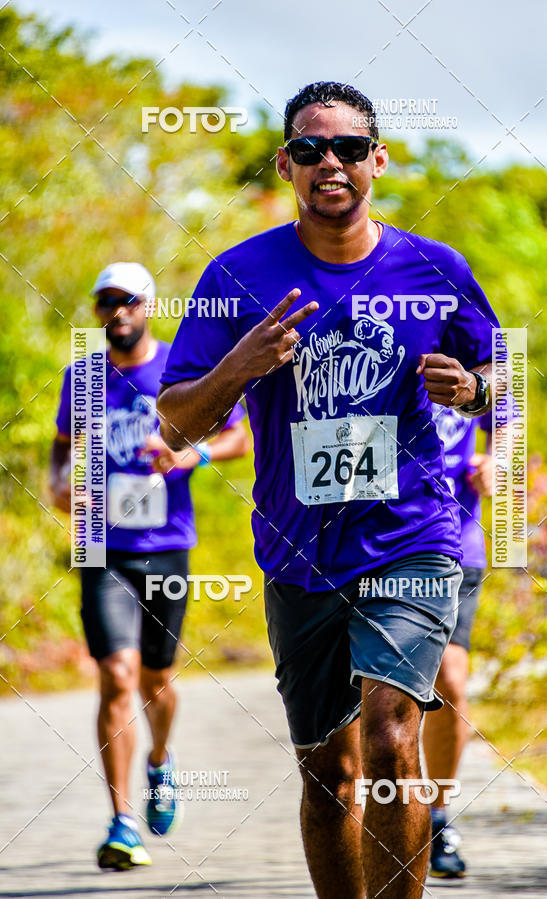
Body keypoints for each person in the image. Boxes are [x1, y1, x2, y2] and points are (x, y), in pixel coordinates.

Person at [157, 82, 500, 898]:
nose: (330, 163)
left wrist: (476, 391)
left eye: (348, 147)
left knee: (389, 740)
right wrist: (237, 367)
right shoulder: (238, 274)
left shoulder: (435, 268)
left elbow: (505, 375)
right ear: (286, 165)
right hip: (299, 553)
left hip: (411, 537)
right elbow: (174, 422)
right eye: (310, 149)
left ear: (378, 159)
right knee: (328, 775)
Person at [49, 262, 249, 870]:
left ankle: (160, 761)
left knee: (156, 680)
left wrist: (192, 455)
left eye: (129, 301)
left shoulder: (176, 370)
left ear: (149, 306)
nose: (118, 312)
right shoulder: (82, 377)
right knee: (116, 674)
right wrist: (59, 484)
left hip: (165, 542)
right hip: (100, 544)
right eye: (106, 302)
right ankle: (123, 820)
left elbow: (239, 436)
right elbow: (62, 445)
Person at [423, 405, 493, 878]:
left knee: (449, 681)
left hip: (457, 542)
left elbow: (507, 418)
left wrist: (498, 461)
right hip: (382, 541)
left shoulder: (481, 358)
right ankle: (377, 810)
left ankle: (437, 815)